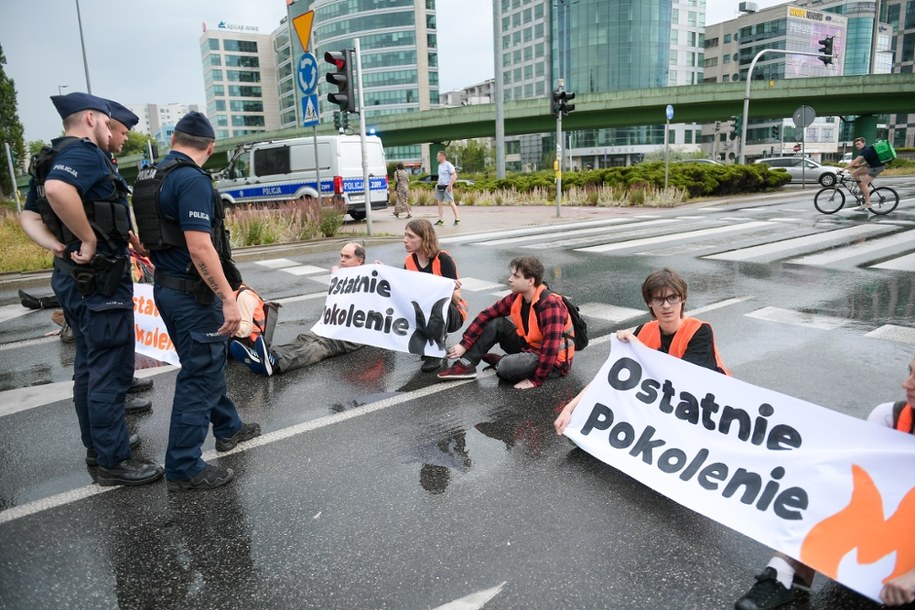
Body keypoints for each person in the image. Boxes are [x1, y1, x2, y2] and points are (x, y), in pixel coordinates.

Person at [19, 92, 163, 485]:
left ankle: (100, 447)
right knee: (110, 370)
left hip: (72, 276)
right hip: (99, 279)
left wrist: (59, 246)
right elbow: (57, 193)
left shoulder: (50, 157)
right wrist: (89, 239)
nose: (109, 128)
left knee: (88, 367)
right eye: (104, 120)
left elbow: (29, 214)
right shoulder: (84, 153)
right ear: (90, 118)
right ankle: (113, 461)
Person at [734, 356, 915, 610]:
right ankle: (784, 571)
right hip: (887, 522)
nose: (906, 383)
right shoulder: (889, 416)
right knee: (828, 484)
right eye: (909, 371)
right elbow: (855, 484)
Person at [142, 111, 260, 491]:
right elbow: (199, 246)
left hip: (168, 288)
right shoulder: (190, 179)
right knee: (200, 373)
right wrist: (227, 297)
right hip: (193, 295)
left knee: (204, 363)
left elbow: (145, 237)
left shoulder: (149, 177)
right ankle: (183, 466)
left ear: (174, 138)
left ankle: (229, 427)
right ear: (210, 147)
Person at [555, 267, 729, 434]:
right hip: (662, 400)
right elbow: (608, 377)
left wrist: (638, 347)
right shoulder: (644, 331)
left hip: (702, 406)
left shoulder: (699, 331)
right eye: (659, 300)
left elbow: (682, 379)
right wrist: (570, 408)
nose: (666, 305)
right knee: (587, 416)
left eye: (673, 297)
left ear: (682, 299)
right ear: (649, 303)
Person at [437, 255, 575, 390]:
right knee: (497, 323)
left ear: (531, 281)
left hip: (555, 363)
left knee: (505, 368)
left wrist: (536, 380)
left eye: (516, 276)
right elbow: (486, 315)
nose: (510, 279)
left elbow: (551, 348)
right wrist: (464, 344)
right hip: (531, 348)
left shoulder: (550, 304)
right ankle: (466, 364)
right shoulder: (518, 297)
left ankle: (502, 362)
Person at [230, 242, 367, 376]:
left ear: (359, 261)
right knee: (304, 338)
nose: (342, 259)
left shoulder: (371, 280)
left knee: (319, 346)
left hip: (350, 334)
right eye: (341, 255)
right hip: (331, 326)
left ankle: (276, 364)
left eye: (347, 257)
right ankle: (265, 355)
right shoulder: (342, 277)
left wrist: (385, 277)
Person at [402, 219, 467, 372]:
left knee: (437, 303)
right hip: (424, 312)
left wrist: (449, 288)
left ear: (424, 239)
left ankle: (436, 350)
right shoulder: (409, 261)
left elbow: (456, 299)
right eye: (405, 235)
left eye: (411, 236)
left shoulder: (443, 259)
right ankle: (425, 341)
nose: (405, 240)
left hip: (452, 314)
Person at [846, 136, 884, 211]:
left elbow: (855, 161)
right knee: (855, 173)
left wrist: (844, 169)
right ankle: (862, 191)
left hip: (876, 168)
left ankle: (868, 203)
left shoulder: (866, 150)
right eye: (856, 144)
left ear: (864, 143)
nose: (857, 146)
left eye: (859, 144)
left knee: (864, 184)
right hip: (871, 166)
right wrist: (860, 165)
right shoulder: (865, 150)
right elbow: (868, 161)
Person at [433, 150, 460, 226]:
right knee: (439, 203)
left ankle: (457, 219)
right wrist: (437, 184)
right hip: (440, 186)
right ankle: (441, 220)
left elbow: (454, 176)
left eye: (438, 156)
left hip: (447, 186)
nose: (436, 158)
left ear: (442, 156)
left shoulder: (448, 165)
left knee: (451, 203)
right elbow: (440, 176)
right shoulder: (440, 166)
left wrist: (450, 185)